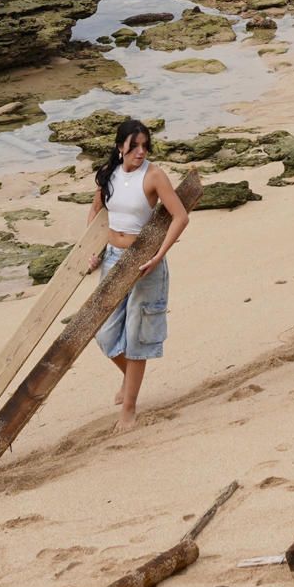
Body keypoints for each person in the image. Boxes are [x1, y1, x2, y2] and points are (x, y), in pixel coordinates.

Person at [88, 118, 189, 432]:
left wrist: (159, 254)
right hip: (113, 259)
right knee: (103, 332)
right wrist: (93, 250)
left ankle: (129, 410)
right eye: (134, 147)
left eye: (145, 146)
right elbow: (96, 212)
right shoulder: (109, 176)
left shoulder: (154, 176)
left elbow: (180, 216)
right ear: (120, 148)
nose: (140, 153)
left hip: (144, 262)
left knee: (136, 337)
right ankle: (129, 378)